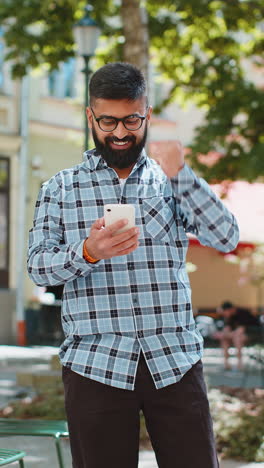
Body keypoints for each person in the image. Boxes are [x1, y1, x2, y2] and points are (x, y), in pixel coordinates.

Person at [27, 62, 239, 468]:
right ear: (90, 116)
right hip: (95, 365)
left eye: (132, 120)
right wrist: (88, 251)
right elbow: (38, 267)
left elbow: (226, 237)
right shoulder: (60, 188)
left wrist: (183, 176)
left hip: (174, 361)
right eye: (107, 120)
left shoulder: (171, 181)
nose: (120, 132)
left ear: (148, 115)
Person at [214, 300, 259, 370]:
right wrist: (222, 334)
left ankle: (239, 363)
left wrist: (224, 335)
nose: (224, 314)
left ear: (230, 310)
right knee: (224, 339)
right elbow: (226, 329)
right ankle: (226, 364)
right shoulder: (229, 316)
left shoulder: (242, 313)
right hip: (238, 334)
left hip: (253, 334)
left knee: (237, 338)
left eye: (225, 312)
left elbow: (239, 331)